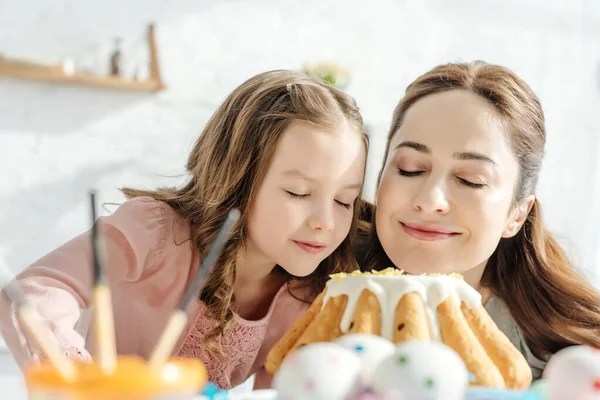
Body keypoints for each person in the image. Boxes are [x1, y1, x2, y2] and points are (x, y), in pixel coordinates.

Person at [0, 69, 368, 389]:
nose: (326, 220)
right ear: (238, 178)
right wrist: (78, 377)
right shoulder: (156, 231)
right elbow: (33, 293)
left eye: (344, 201)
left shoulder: (305, 297)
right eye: (299, 192)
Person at [359, 61, 600, 379]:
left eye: (471, 180)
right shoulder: (312, 287)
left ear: (517, 214)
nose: (431, 200)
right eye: (410, 168)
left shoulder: (560, 362)